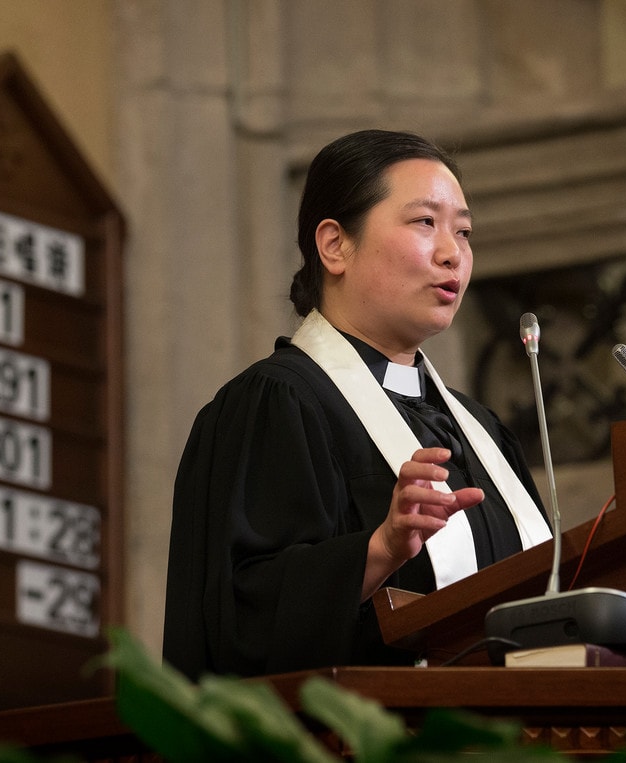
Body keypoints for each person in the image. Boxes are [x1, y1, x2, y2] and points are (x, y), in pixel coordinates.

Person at [162, 129, 552, 680]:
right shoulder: (277, 404)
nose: (452, 254)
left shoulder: (480, 430)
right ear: (334, 245)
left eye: (463, 231)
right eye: (425, 223)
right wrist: (381, 548)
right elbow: (239, 621)